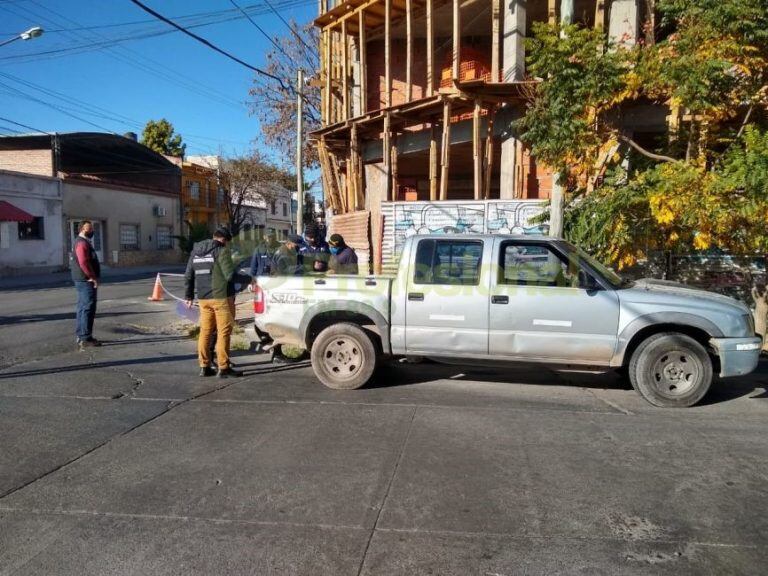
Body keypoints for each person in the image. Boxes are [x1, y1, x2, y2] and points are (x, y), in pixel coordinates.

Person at [184, 226, 250, 378]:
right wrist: (249, 279)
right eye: (227, 242)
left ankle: (204, 366)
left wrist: (188, 296)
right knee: (223, 332)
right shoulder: (221, 251)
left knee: (205, 332)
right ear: (223, 239)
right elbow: (230, 276)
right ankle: (224, 367)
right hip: (221, 298)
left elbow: (188, 275)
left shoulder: (195, 252)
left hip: (203, 298)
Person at [71, 220, 101, 350]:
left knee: (83, 308)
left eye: (92, 228)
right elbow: (83, 262)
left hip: (82, 280)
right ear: (82, 229)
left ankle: (82, 335)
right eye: (89, 228)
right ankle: (85, 337)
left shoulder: (83, 242)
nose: (92, 230)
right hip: (85, 281)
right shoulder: (82, 243)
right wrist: (92, 277)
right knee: (87, 308)